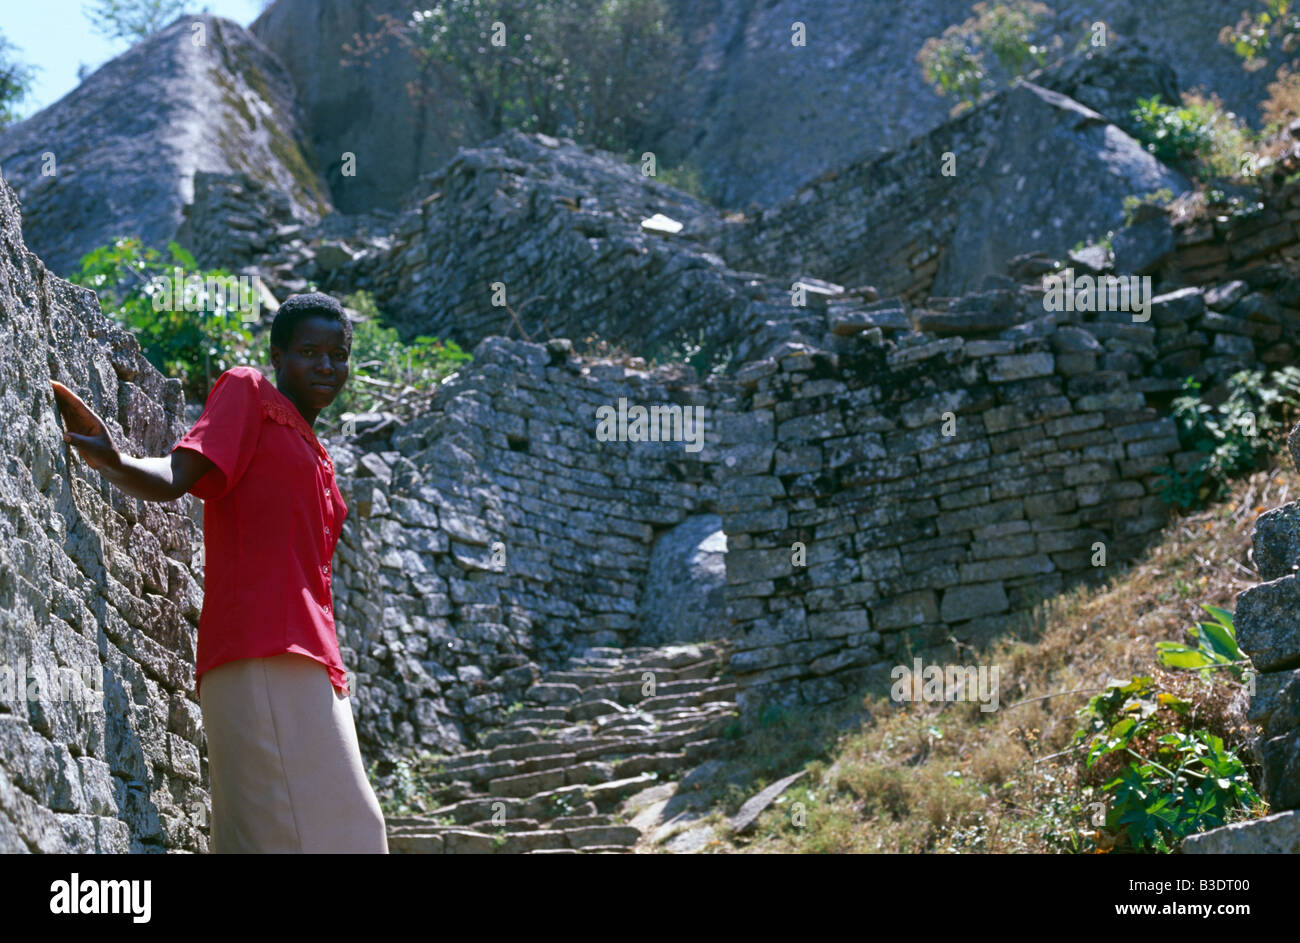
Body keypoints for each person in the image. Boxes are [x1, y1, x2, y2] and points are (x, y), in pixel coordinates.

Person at [51, 292, 388, 853]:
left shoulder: (317, 452)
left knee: (274, 838)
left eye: (339, 354)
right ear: (278, 356)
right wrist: (115, 461)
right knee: (349, 834)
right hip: (264, 650)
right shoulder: (249, 393)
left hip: (311, 659)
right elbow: (177, 473)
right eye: (310, 351)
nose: (327, 366)